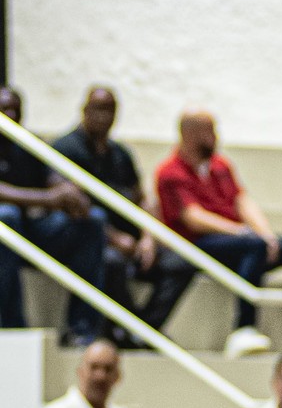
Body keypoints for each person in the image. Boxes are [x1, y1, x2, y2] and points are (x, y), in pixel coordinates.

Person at [155, 111, 282, 358]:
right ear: (189, 134)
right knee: (253, 246)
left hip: (240, 242)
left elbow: (241, 200)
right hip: (197, 245)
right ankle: (244, 328)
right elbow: (192, 218)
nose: (215, 137)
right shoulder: (170, 172)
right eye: (209, 131)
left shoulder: (220, 166)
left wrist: (266, 234)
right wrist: (240, 233)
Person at [53, 87, 194, 345]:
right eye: (98, 108)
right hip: (91, 239)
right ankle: (129, 328)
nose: (104, 116)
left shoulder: (120, 154)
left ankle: (143, 329)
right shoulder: (66, 148)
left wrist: (148, 237)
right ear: (84, 110)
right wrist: (115, 239)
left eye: (110, 110)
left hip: (133, 240)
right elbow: (72, 207)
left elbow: (143, 200)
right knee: (110, 261)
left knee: (182, 262)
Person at [0, 87, 106, 345]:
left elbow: (53, 178)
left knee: (93, 220)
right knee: (6, 216)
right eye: (4, 109)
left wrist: (68, 192)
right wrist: (47, 198)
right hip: (8, 231)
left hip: (33, 229)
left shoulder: (28, 144)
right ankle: (12, 325)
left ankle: (81, 328)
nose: (10, 115)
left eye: (16, 109)